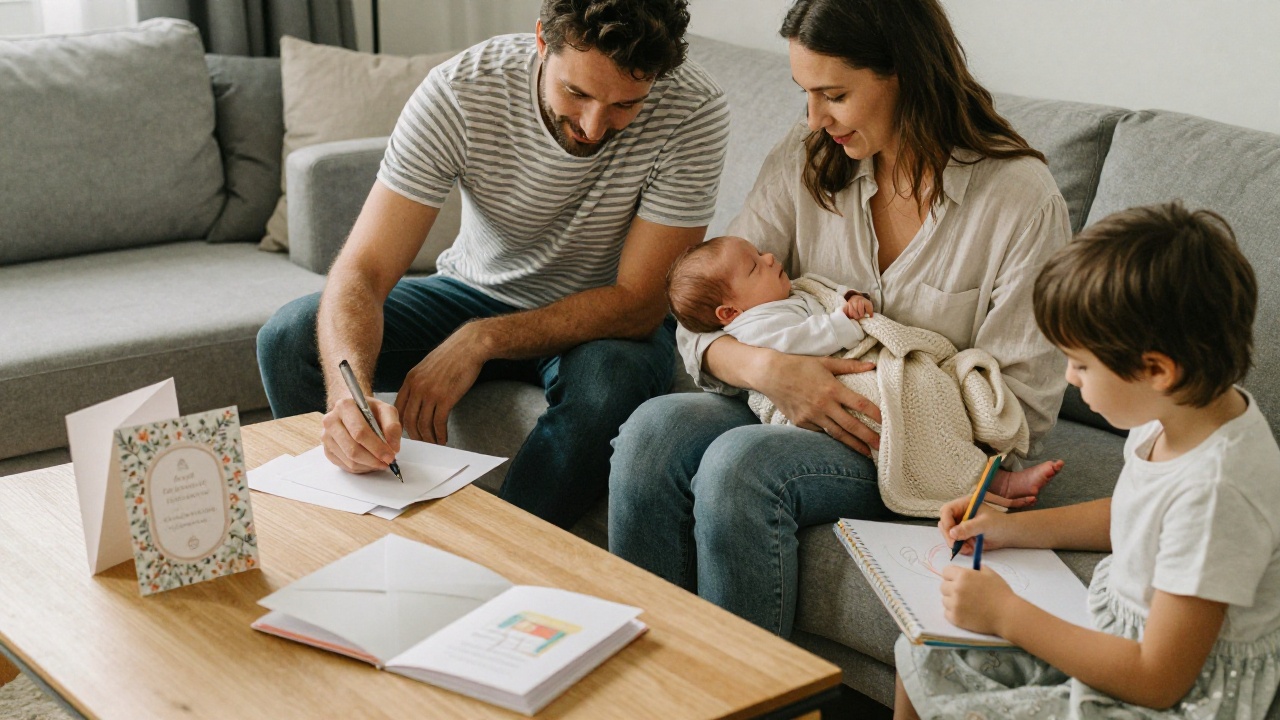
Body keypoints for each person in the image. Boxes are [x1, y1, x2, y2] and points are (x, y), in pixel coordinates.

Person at [609, 0, 1071, 637]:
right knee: (651, 431)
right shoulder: (808, 157)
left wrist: (869, 394)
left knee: (741, 466)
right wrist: (773, 369)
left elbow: (1024, 409)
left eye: (834, 95)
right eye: (805, 93)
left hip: (908, 436)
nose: (814, 118)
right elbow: (703, 316)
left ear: (905, 74)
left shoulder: (1018, 200)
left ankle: (751, 700)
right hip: (786, 398)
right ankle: (653, 682)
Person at [255, 0, 729, 529]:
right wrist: (350, 398)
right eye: (577, 92)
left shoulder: (693, 107)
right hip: (472, 290)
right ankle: (335, 529)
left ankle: (502, 560)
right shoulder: (462, 90)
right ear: (542, 44)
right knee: (288, 336)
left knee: (608, 386)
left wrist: (481, 340)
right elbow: (362, 270)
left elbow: (639, 304)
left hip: (605, 320)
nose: (595, 126)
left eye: (626, 104)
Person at [894, 202, 1280, 720]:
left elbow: (1158, 680)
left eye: (1080, 364)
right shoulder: (1175, 412)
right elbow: (1132, 515)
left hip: (1176, 695)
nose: (1070, 379)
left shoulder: (1218, 494)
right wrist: (1009, 528)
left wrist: (1008, 614)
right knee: (925, 649)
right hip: (1122, 640)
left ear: (1157, 370)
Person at [667, 233, 1063, 497]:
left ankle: (981, 454)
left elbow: (822, 294)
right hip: (822, 400)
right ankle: (987, 484)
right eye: (755, 265)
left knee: (927, 395)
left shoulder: (786, 295)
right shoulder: (754, 325)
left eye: (760, 254)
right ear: (729, 311)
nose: (770, 257)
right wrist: (844, 324)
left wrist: (848, 300)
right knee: (907, 416)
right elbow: (795, 342)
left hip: (853, 369)